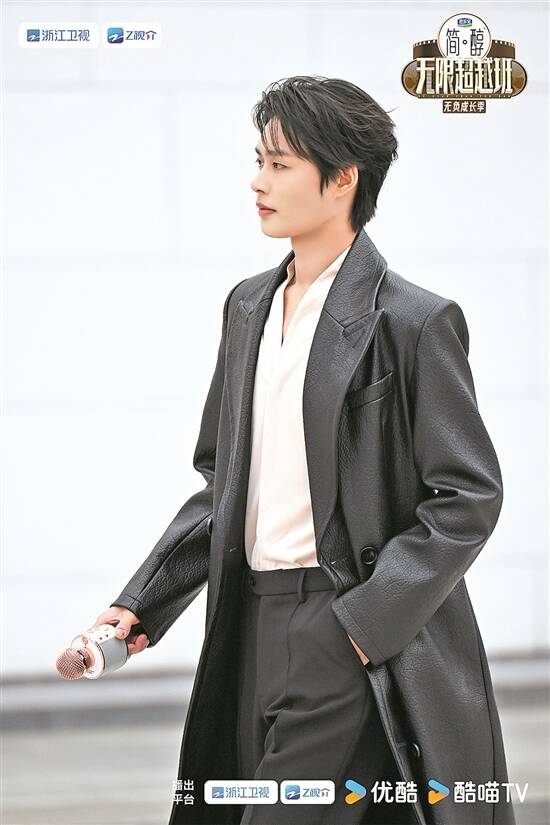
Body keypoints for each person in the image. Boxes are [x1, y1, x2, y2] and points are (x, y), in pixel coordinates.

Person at [94, 76, 515, 825]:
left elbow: (468, 495)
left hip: (344, 621)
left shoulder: (413, 322)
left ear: (343, 177)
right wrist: (140, 602)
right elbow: (224, 482)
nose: (258, 182)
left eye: (280, 164)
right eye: (258, 161)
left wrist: (362, 624)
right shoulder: (248, 307)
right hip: (247, 622)